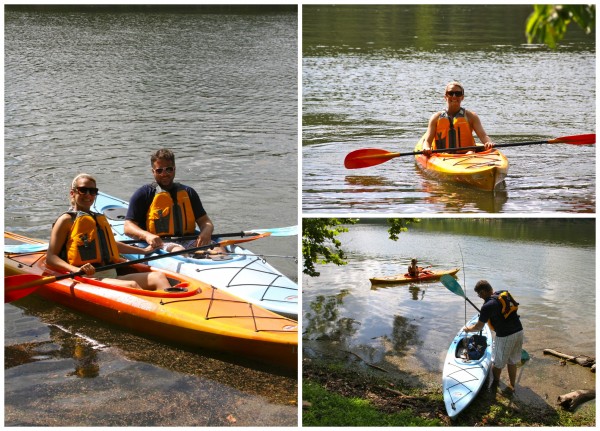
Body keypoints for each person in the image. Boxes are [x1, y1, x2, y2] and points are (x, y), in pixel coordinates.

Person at [46, 173, 170, 291]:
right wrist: (74, 269)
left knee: (159, 277)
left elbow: (111, 244)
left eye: (93, 191)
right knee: (131, 285)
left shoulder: (98, 217)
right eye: (83, 190)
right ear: (73, 193)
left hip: (111, 275)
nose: (88, 195)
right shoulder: (66, 220)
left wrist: (143, 251)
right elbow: (51, 257)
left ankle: (171, 306)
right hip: (87, 277)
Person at [123, 149, 219, 254]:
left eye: (168, 169)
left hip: (187, 239)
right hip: (161, 243)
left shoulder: (188, 192)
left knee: (218, 248)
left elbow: (205, 221)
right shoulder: (143, 194)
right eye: (159, 170)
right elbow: (128, 226)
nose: (164, 174)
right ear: (153, 171)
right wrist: (147, 236)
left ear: (174, 169)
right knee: (179, 250)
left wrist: (206, 231)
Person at [463, 280, 524, 394]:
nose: (479, 296)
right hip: (519, 331)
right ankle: (512, 385)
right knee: (512, 361)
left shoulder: (487, 306)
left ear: (484, 291)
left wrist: (467, 329)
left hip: (506, 336)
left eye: (479, 294)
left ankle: (495, 384)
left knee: (496, 363)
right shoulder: (501, 294)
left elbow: (479, 327)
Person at [422, 82, 495, 157]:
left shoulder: (471, 116)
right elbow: (427, 141)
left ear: (462, 97)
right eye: (450, 93)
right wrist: (426, 147)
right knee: (444, 154)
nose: (454, 96)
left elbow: (483, 136)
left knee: (470, 152)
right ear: (445, 97)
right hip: (442, 156)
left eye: (458, 93)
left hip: (467, 155)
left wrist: (488, 143)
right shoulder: (435, 118)